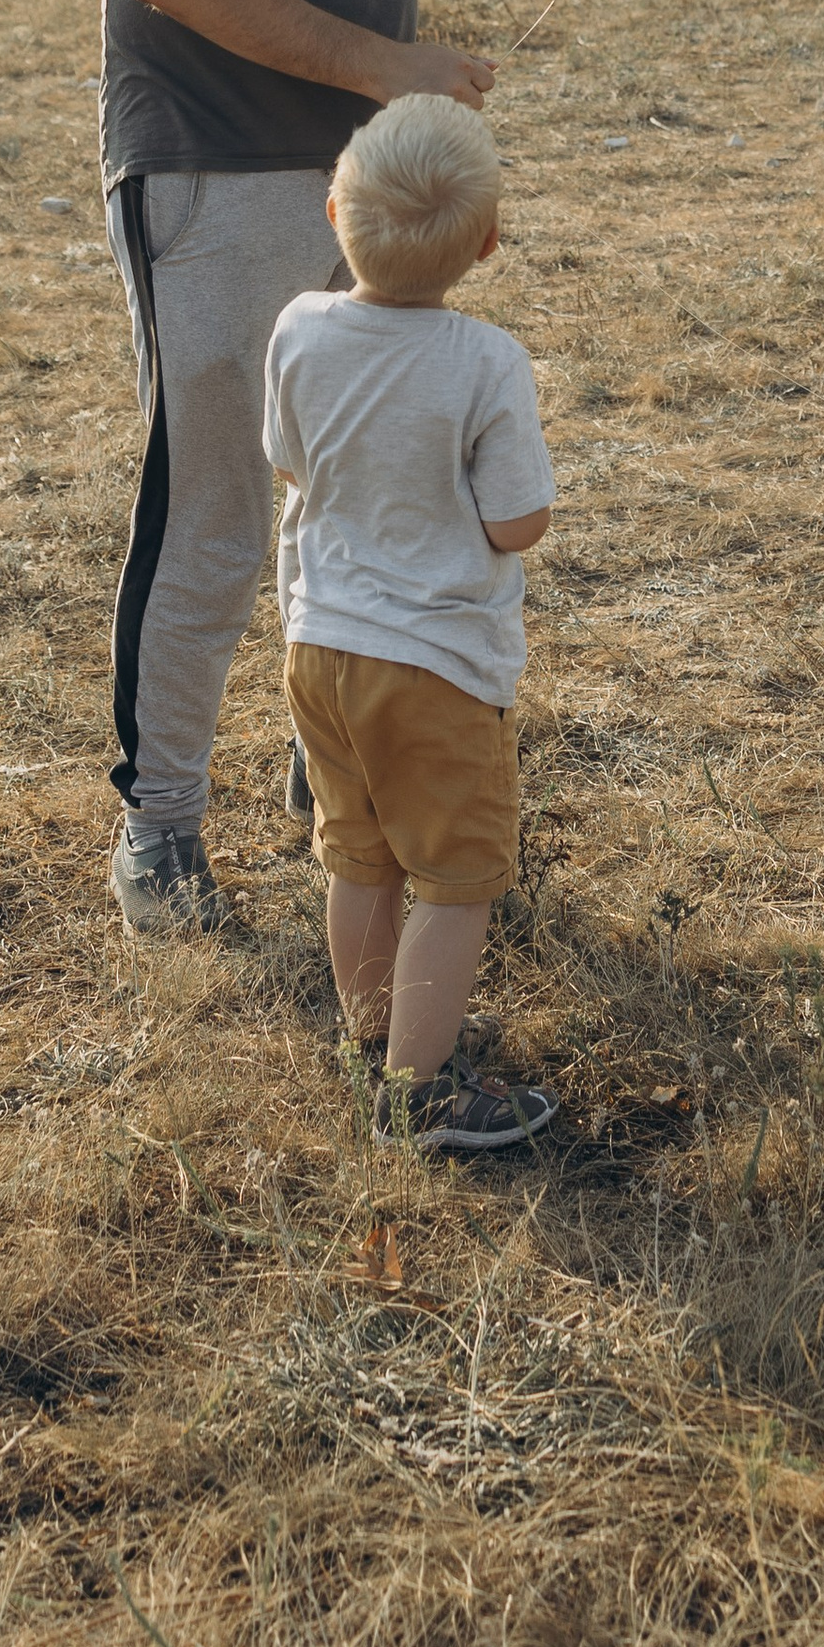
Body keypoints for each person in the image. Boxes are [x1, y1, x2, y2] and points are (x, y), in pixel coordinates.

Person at [54, 0, 683, 934]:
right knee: (214, 504)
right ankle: (160, 825)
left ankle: (328, 757)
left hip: (363, 163)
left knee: (361, 480)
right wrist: (384, 67)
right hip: (209, 158)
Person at [267, 95, 556, 1149]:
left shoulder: (297, 326)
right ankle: (418, 1094)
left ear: (333, 210)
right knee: (453, 880)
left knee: (358, 857)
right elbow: (516, 523)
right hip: (435, 667)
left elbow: (288, 458)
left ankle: (371, 1043)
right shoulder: (487, 362)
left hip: (319, 647)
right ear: (486, 243)